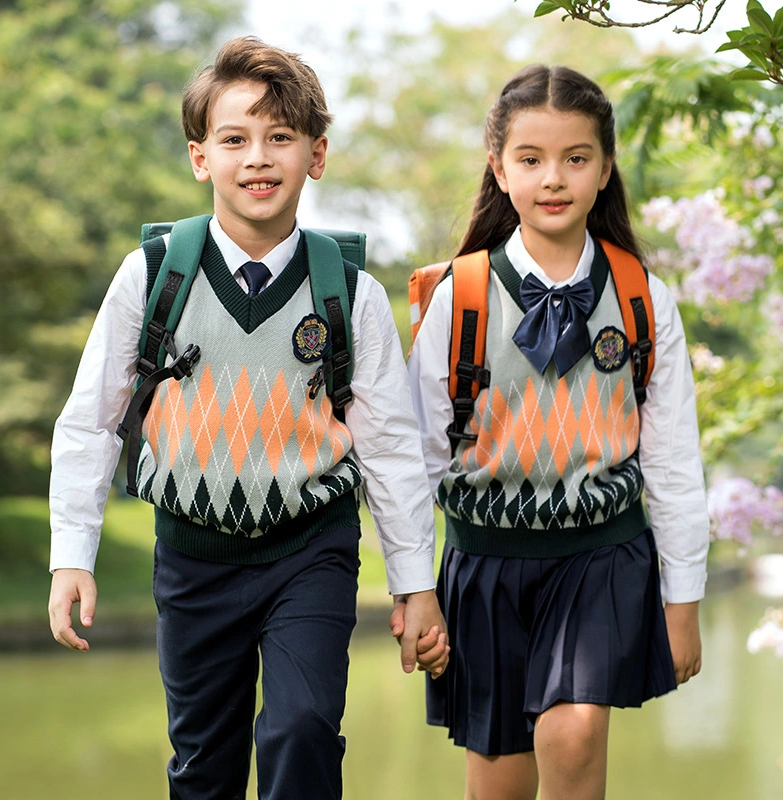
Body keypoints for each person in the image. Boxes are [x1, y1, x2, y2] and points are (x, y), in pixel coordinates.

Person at [48, 36, 449, 800]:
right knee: (205, 765)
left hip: (311, 551)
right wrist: (74, 553)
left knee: (301, 729)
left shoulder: (350, 291)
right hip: (192, 559)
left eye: (280, 139)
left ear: (316, 155)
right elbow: (90, 421)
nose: (258, 158)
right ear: (201, 157)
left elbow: (393, 449)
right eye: (235, 139)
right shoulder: (154, 275)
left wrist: (413, 583)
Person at [407, 64, 708, 800]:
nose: (554, 179)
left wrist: (684, 603)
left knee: (573, 734)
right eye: (531, 159)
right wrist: (413, 590)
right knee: (499, 785)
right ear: (498, 167)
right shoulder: (458, 297)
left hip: (600, 555)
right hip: (484, 564)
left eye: (576, 159)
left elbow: (672, 460)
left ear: (605, 169)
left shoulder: (641, 296)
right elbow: (410, 457)